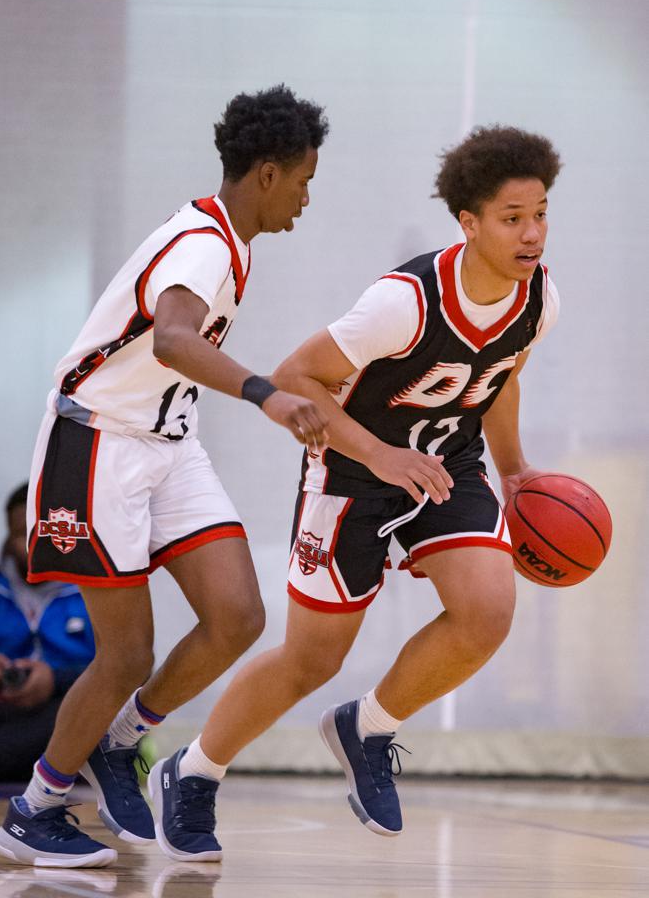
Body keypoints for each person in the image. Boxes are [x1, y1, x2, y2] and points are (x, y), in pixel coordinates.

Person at [143, 124, 562, 860]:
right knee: (311, 660)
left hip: (446, 465)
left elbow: (500, 380)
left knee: (487, 611)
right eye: (512, 219)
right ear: (467, 224)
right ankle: (194, 771)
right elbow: (295, 375)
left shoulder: (537, 299)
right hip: (350, 468)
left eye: (540, 214)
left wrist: (517, 470)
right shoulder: (403, 300)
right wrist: (380, 455)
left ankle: (366, 727)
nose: (532, 234)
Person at [0, 85, 330, 868]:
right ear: (270, 172)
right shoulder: (204, 245)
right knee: (125, 656)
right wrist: (266, 394)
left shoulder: (227, 240)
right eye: (307, 180)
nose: (308, 198)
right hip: (98, 445)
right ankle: (33, 808)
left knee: (238, 616)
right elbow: (175, 341)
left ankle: (123, 740)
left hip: (168, 442)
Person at [0, 483, 94, 781]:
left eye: (38, 534)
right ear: (7, 537)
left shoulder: (91, 590)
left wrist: (54, 680)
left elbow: (128, 666)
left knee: (89, 716)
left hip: (64, 708)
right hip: (1, 711)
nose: (30, 546)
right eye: (20, 535)